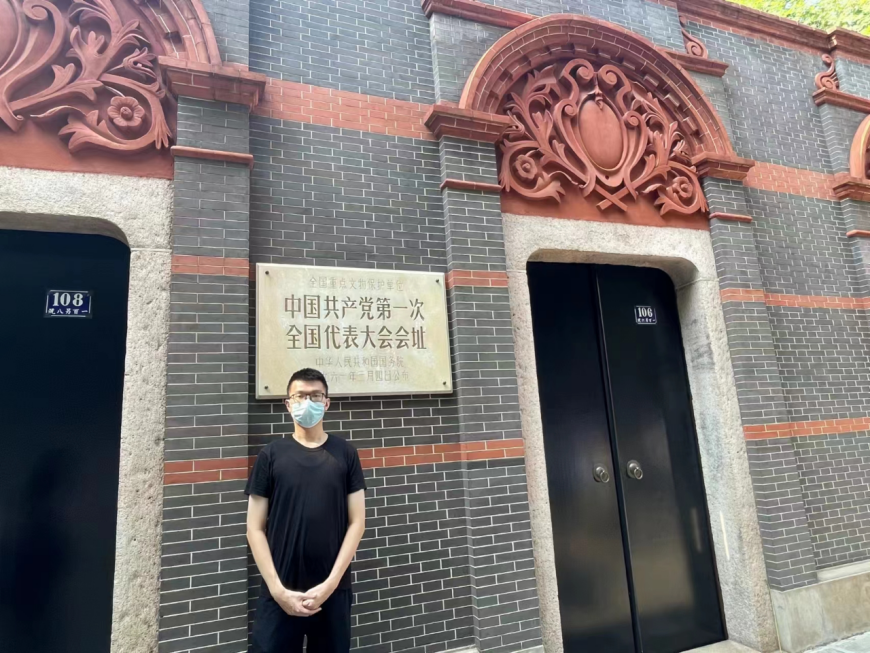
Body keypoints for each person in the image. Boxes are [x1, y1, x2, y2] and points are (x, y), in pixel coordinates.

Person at [246, 368, 366, 653]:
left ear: (327, 402)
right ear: (288, 404)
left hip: (333, 590)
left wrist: (330, 585)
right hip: (279, 589)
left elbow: (357, 522)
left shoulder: (345, 453)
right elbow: (254, 527)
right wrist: (277, 590)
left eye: (316, 396)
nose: (308, 402)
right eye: (300, 396)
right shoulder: (270, 455)